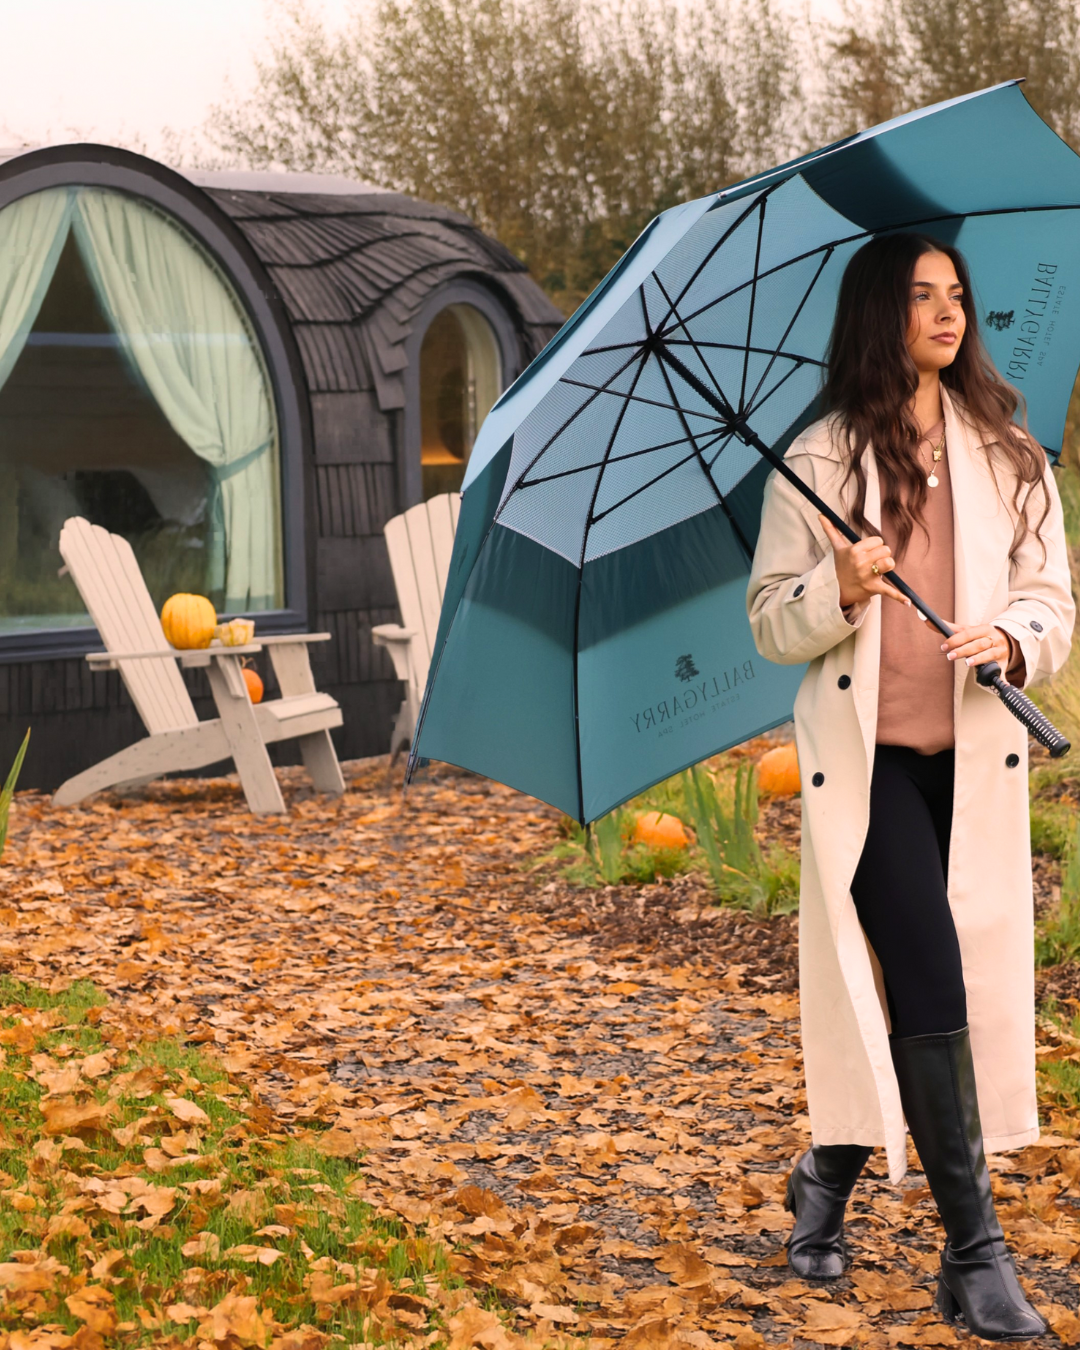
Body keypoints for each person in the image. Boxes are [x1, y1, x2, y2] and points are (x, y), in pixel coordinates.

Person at [746, 232, 1074, 1339]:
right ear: (880, 313)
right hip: (870, 773)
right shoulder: (819, 461)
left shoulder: (1011, 455)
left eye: (958, 295)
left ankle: (821, 1182)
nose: (949, 312)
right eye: (923, 295)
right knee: (930, 981)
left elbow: (1053, 600)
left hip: (973, 767)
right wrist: (834, 586)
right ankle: (974, 1256)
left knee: (921, 996)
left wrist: (1014, 641)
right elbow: (766, 622)